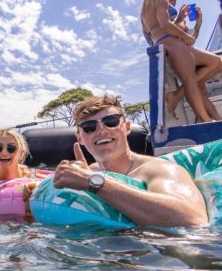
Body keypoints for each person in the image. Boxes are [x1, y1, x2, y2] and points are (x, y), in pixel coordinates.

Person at [53, 94, 208, 227]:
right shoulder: (88, 171)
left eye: (111, 121)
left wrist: (94, 183)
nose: (101, 130)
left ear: (127, 127)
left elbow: (193, 219)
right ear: (80, 137)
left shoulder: (159, 169)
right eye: (89, 127)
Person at [141, 0, 222, 122]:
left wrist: (194, 25)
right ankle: (205, 120)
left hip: (164, 43)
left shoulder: (145, 7)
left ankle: (211, 118)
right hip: (172, 43)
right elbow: (165, 25)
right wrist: (185, 35)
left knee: (214, 65)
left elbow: (152, 31)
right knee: (191, 81)